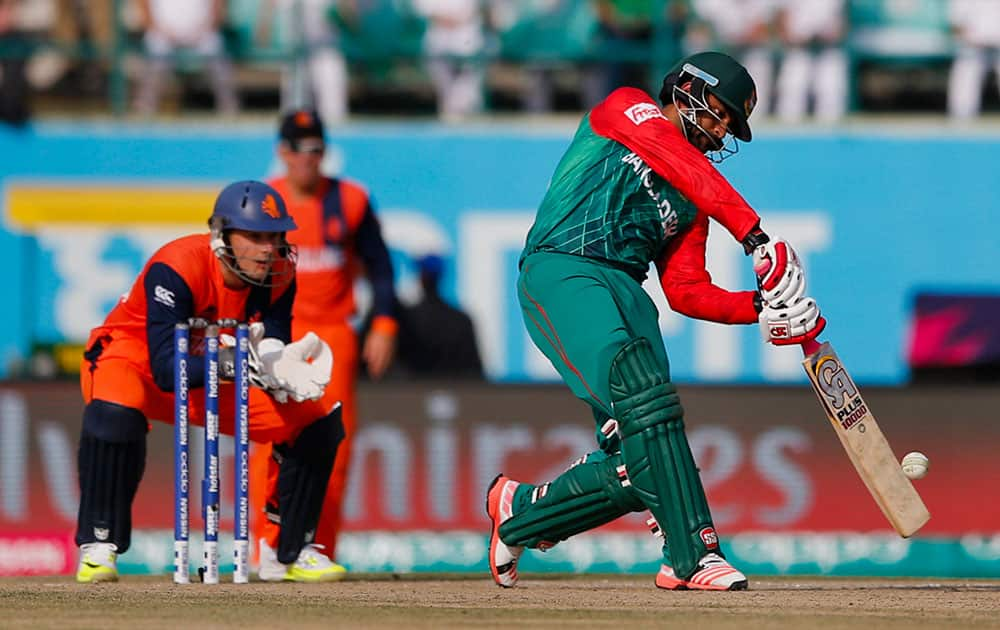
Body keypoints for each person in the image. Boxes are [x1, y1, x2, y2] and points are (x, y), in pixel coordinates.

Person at [485, 51, 825, 591]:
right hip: (564, 270)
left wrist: (761, 307)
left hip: (628, 293)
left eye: (730, 126)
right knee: (645, 405)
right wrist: (755, 236)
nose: (720, 132)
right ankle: (694, 556)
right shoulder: (627, 108)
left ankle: (521, 511)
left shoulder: (695, 193)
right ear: (688, 88)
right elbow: (680, 161)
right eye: (720, 114)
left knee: (643, 451)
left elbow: (687, 291)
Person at [74, 180, 346, 583]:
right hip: (133, 360)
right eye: (254, 236)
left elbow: (270, 341)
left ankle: (284, 552)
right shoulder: (178, 265)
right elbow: (167, 370)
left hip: (211, 370)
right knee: (115, 412)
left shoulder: (280, 273)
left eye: (274, 236)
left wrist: (280, 364)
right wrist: (239, 362)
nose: (267, 248)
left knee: (317, 421)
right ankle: (99, 546)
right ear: (222, 235)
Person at [248, 109, 397, 574]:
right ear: (282, 151)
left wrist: (384, 325)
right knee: (266, 443)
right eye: (299, 150)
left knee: (332, 445)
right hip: (277, 333)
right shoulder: (263, 200)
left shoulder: (350, 199)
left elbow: (381, 266)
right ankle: (267, 550)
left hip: (332, 335)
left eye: (316, 150)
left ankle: (316, 548)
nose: (308, 160)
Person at [132, 0, 239, 115]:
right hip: (161, 33)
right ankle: (144, 109)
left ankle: (230, 109)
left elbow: (218, 6)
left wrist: (206, 27)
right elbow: (143, 5)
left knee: (215, 49)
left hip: (203, 31)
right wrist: (159, 29)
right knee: (156, 50)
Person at [395, 254, 483, 378]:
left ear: (421, 277)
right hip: (455, 392)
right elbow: (475, 371)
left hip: (413, 393)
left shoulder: (407, 318)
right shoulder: (460, 320)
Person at [774, 0, 847, 123]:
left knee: (831, 91)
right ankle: (788, 134)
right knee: (792, 91)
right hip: (797, 49)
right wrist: (795, 38)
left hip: (828, 50)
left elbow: (842, 24)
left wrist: (829, 35)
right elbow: (782, 21)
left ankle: (829, 135)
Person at [946, 0, 1000, 120]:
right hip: (972, 46)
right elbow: (956, 23)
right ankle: (961, 118)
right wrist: (968, 39)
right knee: (965, 70)